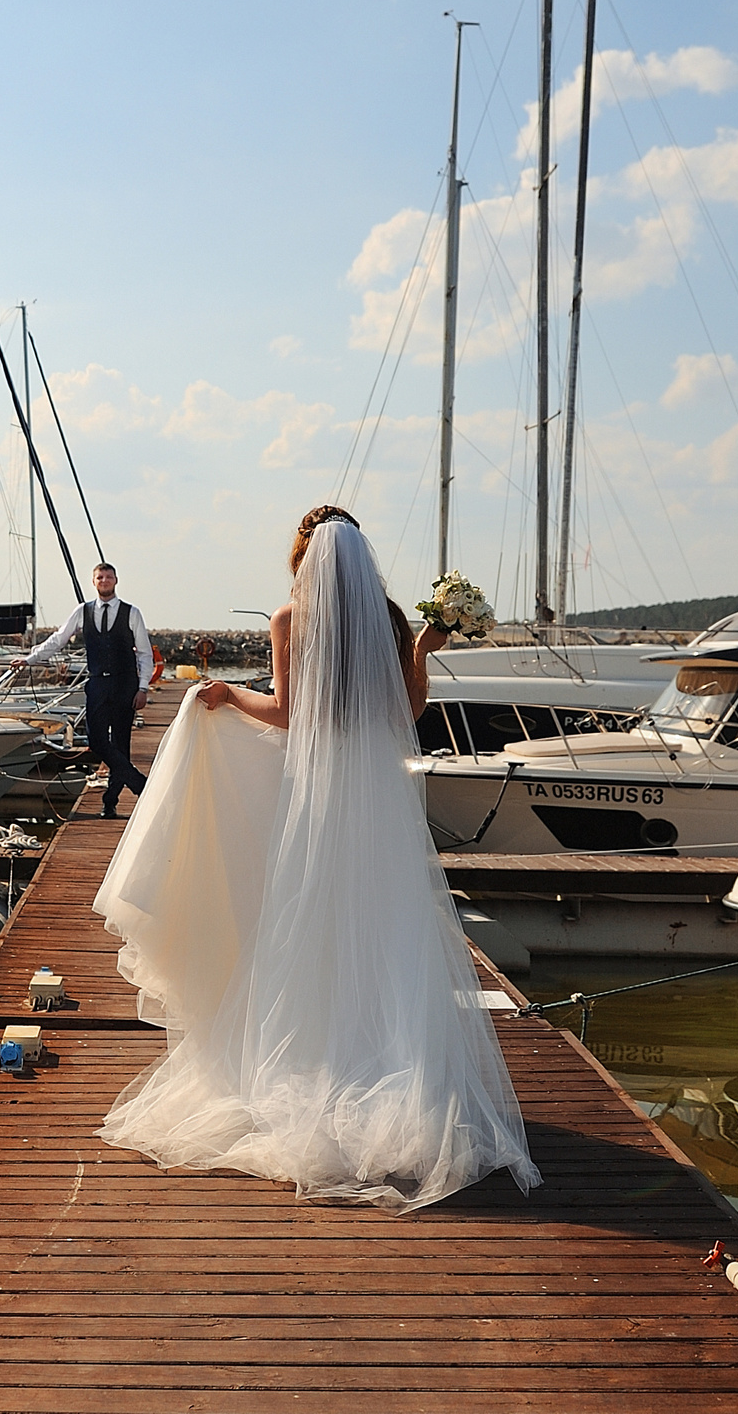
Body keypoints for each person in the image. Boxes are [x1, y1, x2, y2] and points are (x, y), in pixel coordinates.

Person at [89, 505, 541, 1213]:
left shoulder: (290, 621)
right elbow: (406, 714)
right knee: (386, 929)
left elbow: (288, 715)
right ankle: (392, 1070)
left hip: (317, 800)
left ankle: (317, 1063)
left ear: (304, 559)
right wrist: (422, 652)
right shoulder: (388, 622)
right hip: (380, 802)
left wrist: (225, 694)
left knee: (308, 925)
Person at [17, 561, 154, 819]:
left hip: (126, 684)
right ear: (93, 582)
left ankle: (110, 802)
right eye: (100, 577)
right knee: (96, 741)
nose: (104, 581)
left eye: (108, 577)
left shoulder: (131, 612)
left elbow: (145, 654)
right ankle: (140, 784)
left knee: (121, 745)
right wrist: (29, 659)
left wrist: (143, 688)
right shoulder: (83, 611)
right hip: (97, 684)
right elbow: (59, 639)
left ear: (116, 580)